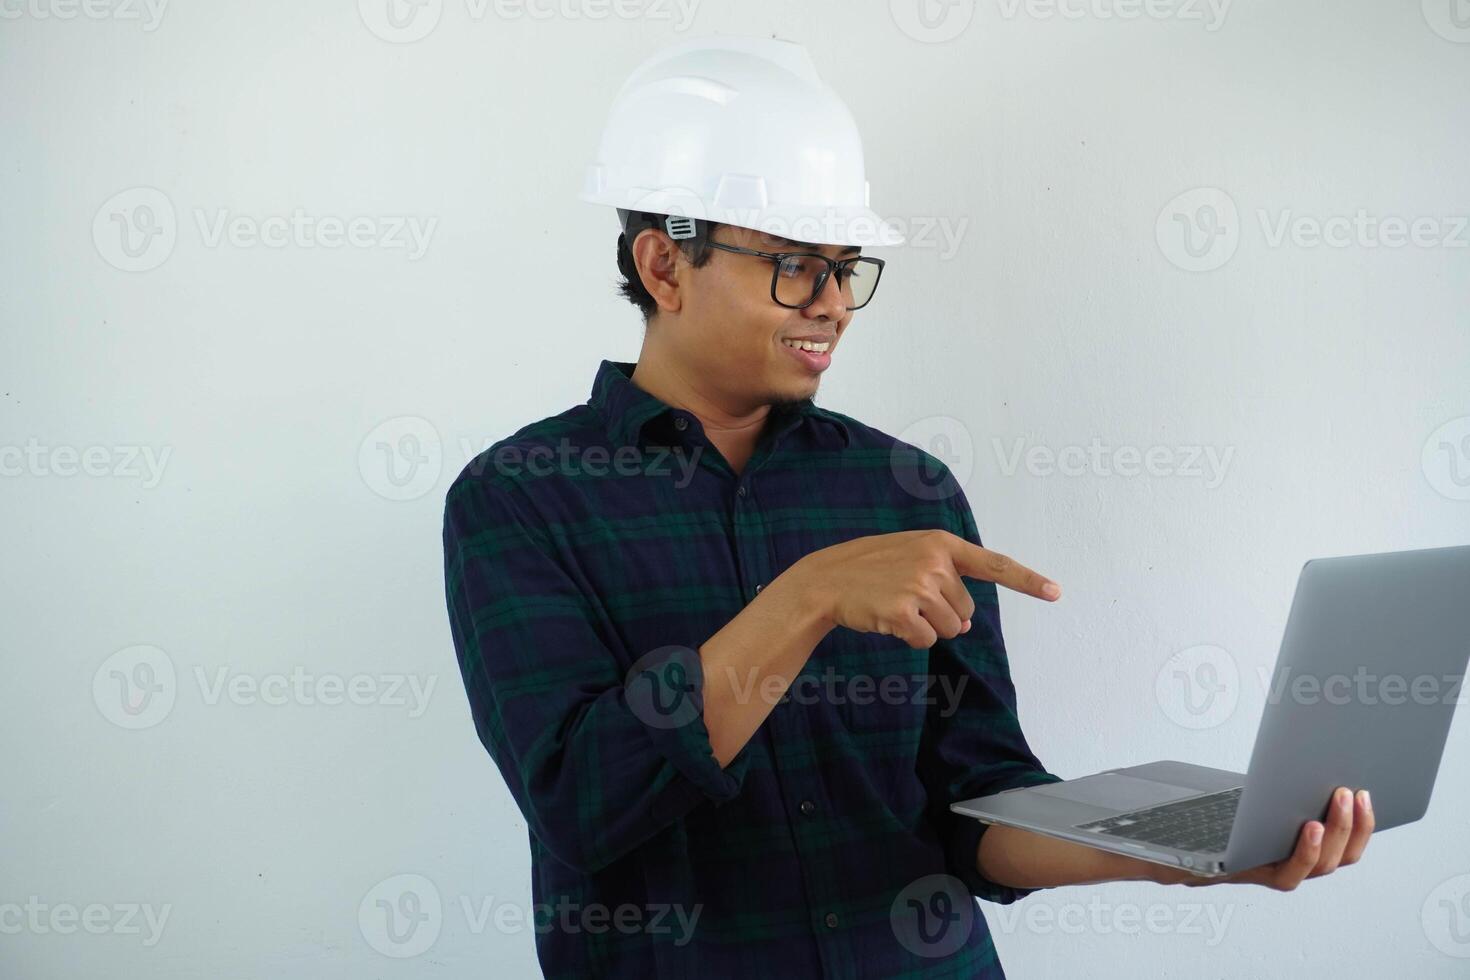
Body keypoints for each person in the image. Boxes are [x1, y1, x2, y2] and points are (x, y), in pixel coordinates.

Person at [441, 36, 1371, 979]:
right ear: (664, 265)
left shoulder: (905, 488)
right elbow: (581, 804)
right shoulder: (518, 499)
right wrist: (805, 598)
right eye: (798, 264)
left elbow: (977, 808)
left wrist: (1182, 854)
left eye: (848, 268)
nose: (835, 304)